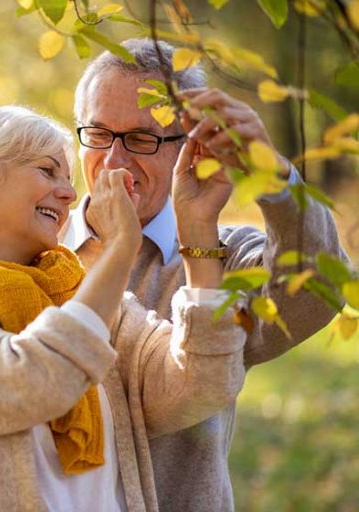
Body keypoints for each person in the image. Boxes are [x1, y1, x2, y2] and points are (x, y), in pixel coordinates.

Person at [0, 105, 247, 511]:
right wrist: (120, 249)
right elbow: (33, 383)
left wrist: (199, 229)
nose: (69, 193)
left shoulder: (77, 297)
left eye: (68, 178)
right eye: (47, 171)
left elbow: (203, 386)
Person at [62, 38, 347, 511]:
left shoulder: (224, 258)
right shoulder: (28, 245)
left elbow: (317, 289)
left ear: (189, 148)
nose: (113, 161)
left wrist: (272, 179)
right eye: (97, 133)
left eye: (140, 138)